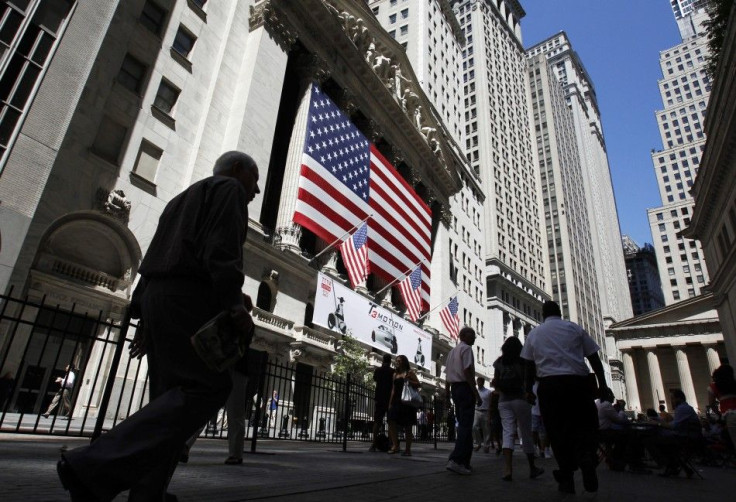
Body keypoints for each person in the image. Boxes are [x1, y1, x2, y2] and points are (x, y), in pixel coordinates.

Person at [57, 151, 260, 502]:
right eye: (253, 182)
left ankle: (147, 494)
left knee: (169, 406)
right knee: (208, 388)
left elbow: (153, 257)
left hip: (158, 298)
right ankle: (90, 465)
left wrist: (141, 313)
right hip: (190, 299)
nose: (255, 192)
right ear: (238, 170)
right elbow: (221, 252)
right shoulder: (229, 190)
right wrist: (233, 304)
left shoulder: (180, 199)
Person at [521, 300, 608, 494]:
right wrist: (603, 385)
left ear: (543, 314)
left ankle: (567, 477)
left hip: (550, 386)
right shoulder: (574, 328)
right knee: (585, 426)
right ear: (560, 312)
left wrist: (528, 390)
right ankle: (587, 457)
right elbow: (594, 357)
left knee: (557, 432)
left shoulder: (535, 333)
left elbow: (528, 364)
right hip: (578, 383)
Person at [493, 336, 544, 481]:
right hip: (520, 399)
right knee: (526, 433)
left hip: (504, 400)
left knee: (507, 433)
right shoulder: (523, 362)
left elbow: (496, 383)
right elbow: (529, 380)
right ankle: (532, 467)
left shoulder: (499, 362)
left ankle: (507, 469)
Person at [445, 327, 481, 475]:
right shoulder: (466, 349)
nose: (474, 338)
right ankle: (456, 460)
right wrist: (476, 393)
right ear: (463, 336)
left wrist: (447, 395)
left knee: (464, 425)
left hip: (455, 389)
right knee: (466, 426)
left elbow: (447, 375)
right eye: (472, 335)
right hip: (465, 389)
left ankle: (465, 461)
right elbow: (467, 371)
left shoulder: (452, 352)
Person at [644, 389, 702, 477]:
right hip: (688, 437)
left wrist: (658, 423)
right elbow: (675, 424)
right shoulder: (685, 408)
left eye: (673, 399)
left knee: (650, 441)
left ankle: (667, 465)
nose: (672, 401)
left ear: (679, 399)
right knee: (666, 443)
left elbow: (673, 426)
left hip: (684, 439)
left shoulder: (682, 408)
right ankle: (679, 467)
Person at [387, 355, 420, 455]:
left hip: (406, 402)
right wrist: (390, 403)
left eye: (400, 361)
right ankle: (395, 445)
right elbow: (393, 389)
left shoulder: (409, 373)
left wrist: (408, 381)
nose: (397, 362)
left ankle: (407, 449)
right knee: (391, 420)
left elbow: (418, 384)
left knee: (407, 425)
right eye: (397, 360)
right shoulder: (395, 374)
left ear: (404, 362)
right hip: (396, 401)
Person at [369, 353, 394, 452]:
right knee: (391, 421)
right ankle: (391, 443)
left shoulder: (378, 370)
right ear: (390, 361)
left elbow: (375, 379)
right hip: (389, 399)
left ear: (383, 360)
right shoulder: (393, 371)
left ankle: (374, 444)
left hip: (379, 398)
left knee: (377, 421)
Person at [708, 364, 736, 450]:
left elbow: (712, 404)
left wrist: (719, 414)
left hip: (730, 415)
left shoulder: (714, 386)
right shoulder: (734, 384)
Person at [472, 376, 492, 453]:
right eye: (478, 381)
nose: (479, 383)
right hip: (476, 411)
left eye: (480, 381)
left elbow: (490, 404)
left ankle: (486, 446)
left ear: (483, 382)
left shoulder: (488, 392)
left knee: (486, 429)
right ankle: (478, 443)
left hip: (485, 411)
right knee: (474, 427)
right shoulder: (475, 391)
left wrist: (490, 413)